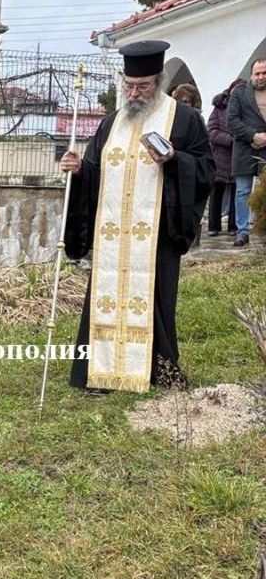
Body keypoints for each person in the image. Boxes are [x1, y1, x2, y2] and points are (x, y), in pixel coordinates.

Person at [59, 40, 215, 393]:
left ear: (158, 82)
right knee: (105, 296)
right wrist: (79, 169)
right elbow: (97, 171)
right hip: (113, 232)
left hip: (157, 231)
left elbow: (206, 169)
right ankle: (98, 372)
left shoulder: (185, 119)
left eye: (141, 86)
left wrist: (175, 161)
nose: (133, 92)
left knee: (154, 298)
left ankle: (155, 369)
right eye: (128, 86)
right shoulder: (112, 122)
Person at [227, 58, 266, 247]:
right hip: (244, 149)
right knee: (242, 192)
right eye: (257, 73)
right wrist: (253, 136)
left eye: (264, 73)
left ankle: (263, 228)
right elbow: (232, 121)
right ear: (251, 75)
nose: (261, 77)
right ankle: (242, 232)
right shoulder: (239, 94)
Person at [207, 79, 245, 237]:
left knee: (238, 192)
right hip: (220, 157)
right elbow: (211, 131)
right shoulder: (219, 109)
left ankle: (233, 227)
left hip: (239, 157)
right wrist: (230, 140)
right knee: (216, 193)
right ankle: (213, 226)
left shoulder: (246, 109)